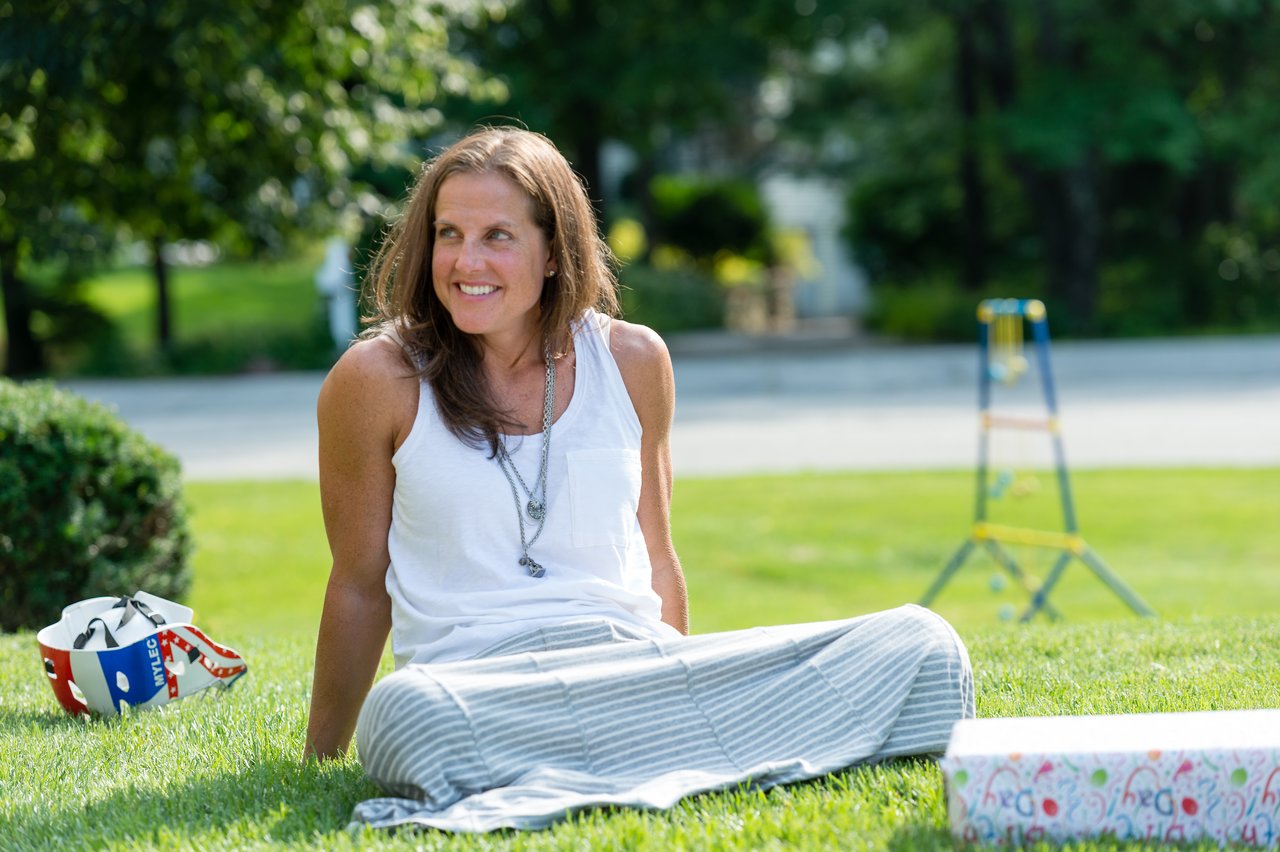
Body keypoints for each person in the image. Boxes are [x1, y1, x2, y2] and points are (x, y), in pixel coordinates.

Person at [304, 126, 974, 832]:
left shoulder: (633, 360)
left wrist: (682, 680)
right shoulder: (378, 378)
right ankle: (676, 753)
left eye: (497, 235)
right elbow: (357, 582)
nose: (465, 261)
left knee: (923, 645)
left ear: (555, 251)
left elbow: (658, 555)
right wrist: (323, 757)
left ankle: (615, 753)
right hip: (480, 688)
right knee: (405, 717)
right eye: (448, 233)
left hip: (631, 666)